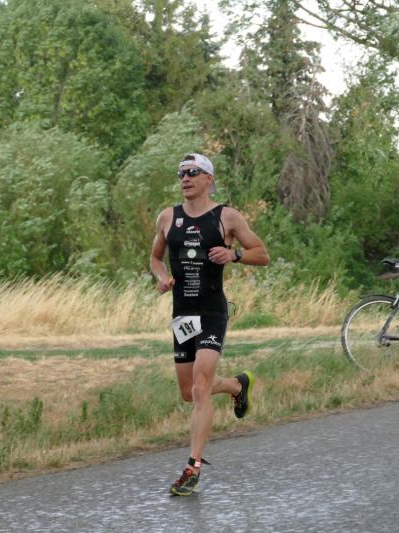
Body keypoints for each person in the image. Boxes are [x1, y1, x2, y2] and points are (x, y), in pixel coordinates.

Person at [149, 153, 270, 497]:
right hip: (183, 314)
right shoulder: (167, 217)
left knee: (201, 389)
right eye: (181, 173)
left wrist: (234, 255)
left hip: (212, 311)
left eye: (192, 172)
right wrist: (161, 278)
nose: (185, 178)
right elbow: (155, 258)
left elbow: (262, 254)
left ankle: (193, 468)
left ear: (208, 179)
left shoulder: (226, 216)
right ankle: (236, 386)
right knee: (189, 392)